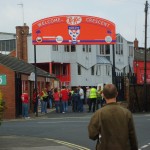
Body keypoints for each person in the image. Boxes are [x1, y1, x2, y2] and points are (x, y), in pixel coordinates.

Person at [88, 84, 138, 150]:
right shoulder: (127, 113)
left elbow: (92, 135)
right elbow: (132, 137)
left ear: (103, 95)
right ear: (116, 94)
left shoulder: (99, 113)